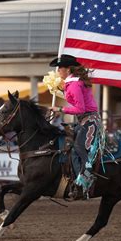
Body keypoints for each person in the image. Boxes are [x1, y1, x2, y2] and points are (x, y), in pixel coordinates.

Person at [48, 54, 101, 200]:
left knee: (78, 147)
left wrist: (60, 109)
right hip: (85, 120)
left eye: (60, 68)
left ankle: (86, 180)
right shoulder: (74, 83)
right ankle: (78, 179)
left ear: (67, 69)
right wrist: (59, 91)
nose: (58, 71)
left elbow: (81, 109)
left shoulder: (75, 84)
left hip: (89, 120)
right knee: (70, 146)